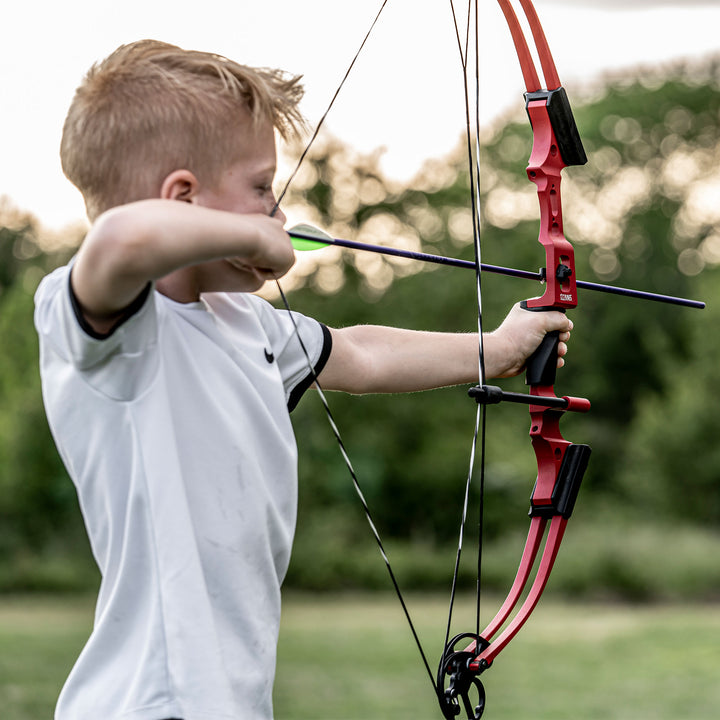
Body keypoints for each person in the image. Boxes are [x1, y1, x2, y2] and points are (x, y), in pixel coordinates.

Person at [34, 40, 573, 720]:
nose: (278, 215)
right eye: (264, 189)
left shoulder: (246, 326)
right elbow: (120, 241)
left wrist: (495, 348)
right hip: (150, 703)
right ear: (184, 198)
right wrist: (256, 240)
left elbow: (361, 354)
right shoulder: (106, 331)